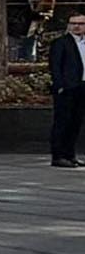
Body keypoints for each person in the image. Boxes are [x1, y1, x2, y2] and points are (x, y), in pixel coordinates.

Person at [50, 12, 84, 169]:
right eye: (73, 23)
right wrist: (60, 85)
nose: (76, 26)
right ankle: (58, 156)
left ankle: (70, 155)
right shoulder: (61, 43)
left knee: (76, 122)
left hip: (82, 86)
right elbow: (55, 66)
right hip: (67, 87)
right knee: (62, 121)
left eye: (80, 23)